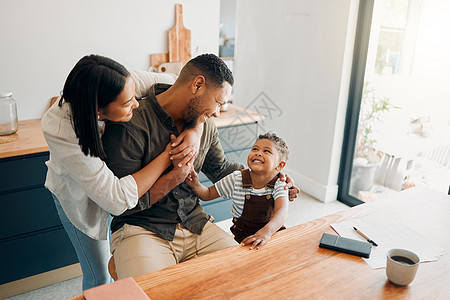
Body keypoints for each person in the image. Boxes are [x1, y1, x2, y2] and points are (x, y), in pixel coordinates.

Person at [102, 53, 300, 279]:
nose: (217, 112)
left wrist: (268, 178)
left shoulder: (205, 125)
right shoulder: (130, 125)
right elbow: (122, 204)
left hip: (195, 224)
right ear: (197, 85)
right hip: (143, 228)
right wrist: (174, 177)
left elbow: (221, 169)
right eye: (218, 102)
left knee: (249, 275)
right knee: (157, 291)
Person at [41, 55, 201, 290]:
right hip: (80, 198)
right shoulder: (60, 128)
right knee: (99, 276)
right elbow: (115, 199)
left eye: (133, 96)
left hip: (123, 186)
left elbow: (179, 86)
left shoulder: (122, 82)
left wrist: (195, 130)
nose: (136, 104)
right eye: (127, 104)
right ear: (98, 110)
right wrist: (168, 155)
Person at [186, 131, 289, 249]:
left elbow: (282, 211)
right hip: (243, 237)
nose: (258, 153)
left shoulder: (280, 183)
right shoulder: (236, 178)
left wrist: (266, 232)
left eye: (267, 151)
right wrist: (195, 184)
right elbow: (208, 194)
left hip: (272, 234)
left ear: (280, 166)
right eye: (255, 149)